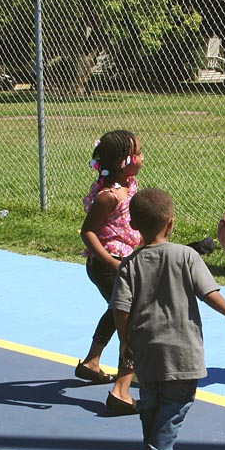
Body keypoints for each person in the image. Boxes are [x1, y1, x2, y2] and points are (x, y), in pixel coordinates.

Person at [110, 188, 225, 450]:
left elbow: (120, 308)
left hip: (146, 350)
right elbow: (208, 292)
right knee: (176, 404)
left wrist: (124, 339)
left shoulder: (129, 264)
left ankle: (153, 448)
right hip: (182, 351)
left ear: (132, 224)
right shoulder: (186, 255)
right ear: (171, 222)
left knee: (151, 402)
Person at [76, 130, 143, 415]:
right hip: (107, 265)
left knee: (117, 312)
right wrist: (112, 263)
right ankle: (121, 392)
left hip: (125, 264)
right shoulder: (108, 195)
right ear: (122, 161)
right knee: (133, 320)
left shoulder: (129, 186)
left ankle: (92, 362)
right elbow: (87, 232)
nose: (142, 157)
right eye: (138, 153)